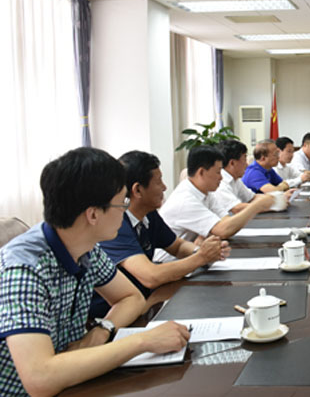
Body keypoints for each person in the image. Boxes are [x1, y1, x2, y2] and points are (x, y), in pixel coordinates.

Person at [0, 147, 189, 396]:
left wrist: (102, 331)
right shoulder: (24, 269)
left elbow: (131, 297)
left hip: (74, 380)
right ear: (93, 214)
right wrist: (143, 341)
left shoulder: (86, 247)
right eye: (122, 203)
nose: (125, 211)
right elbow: (39, 378)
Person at [91, 151, 229, 317]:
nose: (164, 187)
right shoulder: (116, 224)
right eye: (158, 182)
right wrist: (201, 257)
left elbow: (177, 246)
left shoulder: (148, 214)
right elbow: (150, 276)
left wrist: (202, 251)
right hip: (114, 314)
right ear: (137, 190)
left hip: (145, 300)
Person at [158, 146, 274, 259]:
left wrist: (206, 234)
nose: (221, 178)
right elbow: (224, 230)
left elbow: (225, 222)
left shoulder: (206, 192)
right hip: (168, 262)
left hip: (191, 255)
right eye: (218, 172)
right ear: (201, 172)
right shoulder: (185, 200)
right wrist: (256, 207)